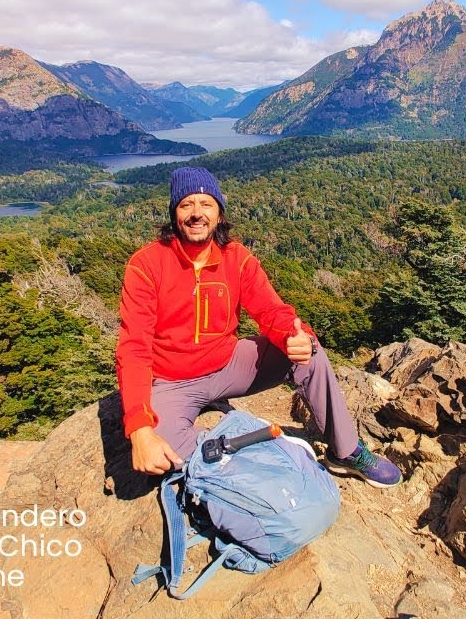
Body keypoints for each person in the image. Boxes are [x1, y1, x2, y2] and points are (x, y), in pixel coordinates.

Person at [115, 166, 401, 488]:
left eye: (206, 204)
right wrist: (138, 427)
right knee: (161, 448)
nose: (197, 213)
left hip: (227, 364)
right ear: (174, 214)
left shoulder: (236, 257)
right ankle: (263, 452)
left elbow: (270, 310)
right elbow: (134, 349)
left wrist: (295, 336)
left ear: (219, 214)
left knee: (310, 353)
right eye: (186, 205)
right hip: (172, 381)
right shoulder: (146, 265)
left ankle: (345, 451)